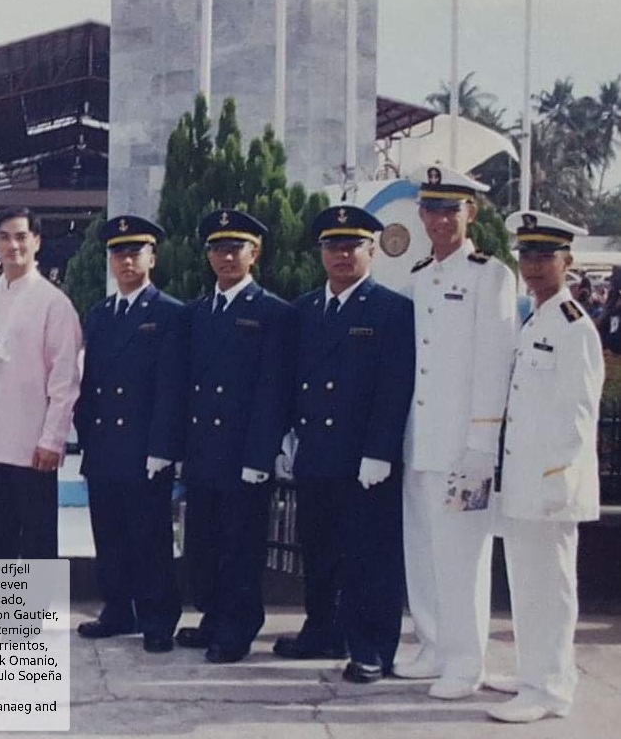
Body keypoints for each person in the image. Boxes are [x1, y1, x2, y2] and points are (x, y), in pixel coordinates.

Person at [272, 205, 414, 683]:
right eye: (333, 246)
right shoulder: (305, 309)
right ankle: (322, 632)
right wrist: (287, 435)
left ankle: (372, 647)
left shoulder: (391, 310)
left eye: (353, 245)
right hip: (316, 452)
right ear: (321, 253)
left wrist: (380, 450)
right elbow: (291, 378)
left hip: (363, 458)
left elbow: (394, 386)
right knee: (319, 552)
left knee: (369, 557)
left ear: (372, 251)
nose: (342, 254)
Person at [395, 165, 517, 699]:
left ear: (471, 213)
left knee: (462, 557)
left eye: (450, 209)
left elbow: (494, 364)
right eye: (431, 209)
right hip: (420, 441)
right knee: (422, 550)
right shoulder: (420, 276)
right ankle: (433, 645)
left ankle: (466, 662)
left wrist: (481, 447)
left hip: (464, 447)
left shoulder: (491, 276)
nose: (439, 220)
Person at [486, 210, 600, 723]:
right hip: (523, 480)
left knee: (551, 590)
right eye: (526, 254)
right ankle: (532, 673)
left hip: (551, 485)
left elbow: (578, 412)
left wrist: (558, 480)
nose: (532, 265)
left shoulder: (574, 326)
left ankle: (551, 689)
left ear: (567, 261)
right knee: (527, 585)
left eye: (544, 256)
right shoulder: (537, 318)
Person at [173, 209, 294, 664]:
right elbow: (185, 386)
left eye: (235, 248)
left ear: (254, 254)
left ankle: (239, 626)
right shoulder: (196, 313)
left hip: (244, 454)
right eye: (217, 249)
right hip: (203, 450)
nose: (226, 257)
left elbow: (273, 390)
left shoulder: (272, 312)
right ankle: (212, 617)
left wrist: (260, 455)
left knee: (241, 546)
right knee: (204, 545)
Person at [74, 216, 186, 654]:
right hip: (104, 445)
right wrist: (86, 434)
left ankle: (157, 618)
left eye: (134, 252)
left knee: (149, 537)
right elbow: (90, 383)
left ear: (152, 258)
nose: (125, 261)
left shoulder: (169, 313)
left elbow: (171, 387)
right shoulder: (100, 314)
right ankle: (118, 610)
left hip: (144, 447)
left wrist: (163, 447)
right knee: (110, 535)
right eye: (118, 253)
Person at [0, 208, 81, 560]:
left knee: (37, 544)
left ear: (37, 241)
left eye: (21, 237)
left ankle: (38, 600)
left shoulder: (54, 303)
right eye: (4, 237)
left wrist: (52, 440)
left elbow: (64, 381)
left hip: (33, 446)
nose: (13, 245)